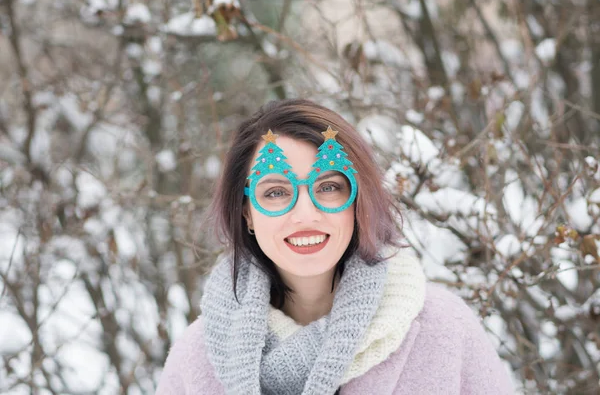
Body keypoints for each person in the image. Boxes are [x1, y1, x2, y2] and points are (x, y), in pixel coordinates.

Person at [156, 99, 513, 395]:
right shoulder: (196, 357)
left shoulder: (444, 330)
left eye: (328, 187)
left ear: (358, 200)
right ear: (246, 212)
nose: (306, 214)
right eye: (276, 192)